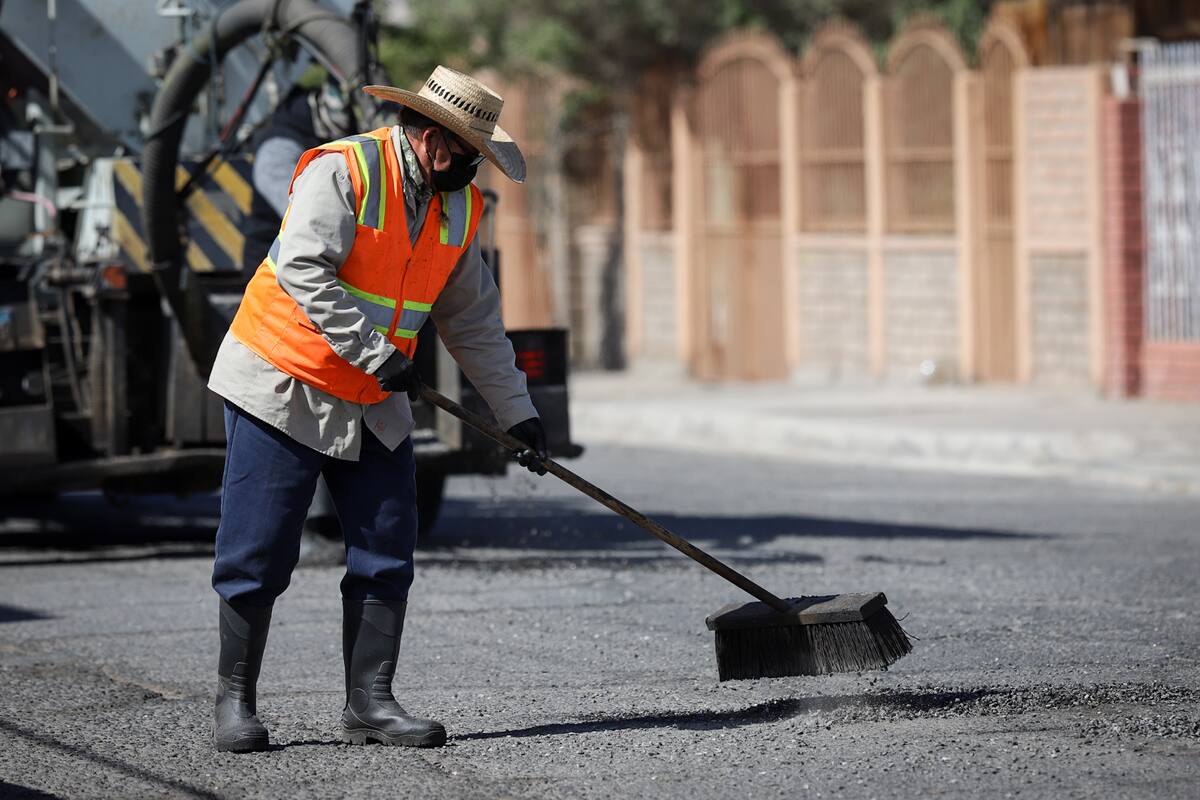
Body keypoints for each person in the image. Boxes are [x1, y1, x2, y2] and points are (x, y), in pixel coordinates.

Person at [206, 66, 547, 753]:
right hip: (283, 382)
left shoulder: (458, 208)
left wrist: (518, 416)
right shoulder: (344, 172)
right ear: (431, 142)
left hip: (372, 395)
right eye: (469, 157)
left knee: (386, 549)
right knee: (259, 552)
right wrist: (375, 350)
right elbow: (303, 268)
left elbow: (473, 322)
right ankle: (234, 703)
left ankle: (370, 705)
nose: (475, 174)